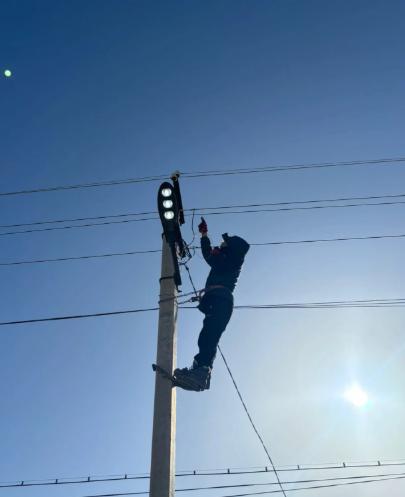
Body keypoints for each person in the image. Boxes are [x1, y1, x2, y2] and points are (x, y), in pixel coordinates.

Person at [174, 218, 250, 391]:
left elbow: (212, 258)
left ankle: (201, 372)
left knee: (209, 337)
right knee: (207, 337)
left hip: (220, 300)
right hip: (218, 300)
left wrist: (214, 249)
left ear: (232, 246)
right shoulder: (227, 257)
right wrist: (204, 235)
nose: (221, 244)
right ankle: (201, 373)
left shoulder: (234, 257)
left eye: (224, 242)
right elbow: (209, 256)